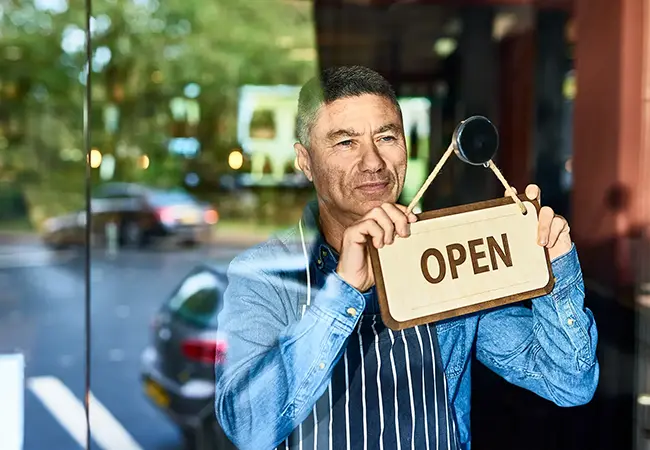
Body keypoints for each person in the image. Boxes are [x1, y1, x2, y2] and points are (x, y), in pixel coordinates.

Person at [214, 65, 599, 450]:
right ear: (305, 160)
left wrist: (557, 271)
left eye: (386, 137)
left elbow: (568, 382)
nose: (373, 163)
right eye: (345, 142)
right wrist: (342, 293)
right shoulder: (263, 274)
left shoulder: (446, 254)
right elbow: (247, 427)